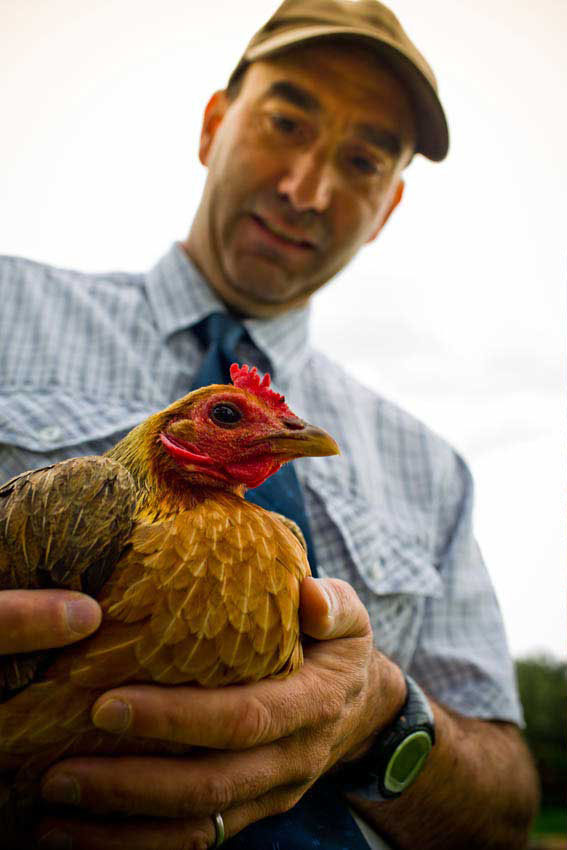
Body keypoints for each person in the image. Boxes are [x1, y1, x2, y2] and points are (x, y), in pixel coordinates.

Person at [0, 1, 539, 848]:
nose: (306, 189)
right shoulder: (9, 310)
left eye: (361, 161)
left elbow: (505, 816)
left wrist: (378, 720)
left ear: (388, 206)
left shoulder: (431, 471)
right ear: (214, 125)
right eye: (286, 122)